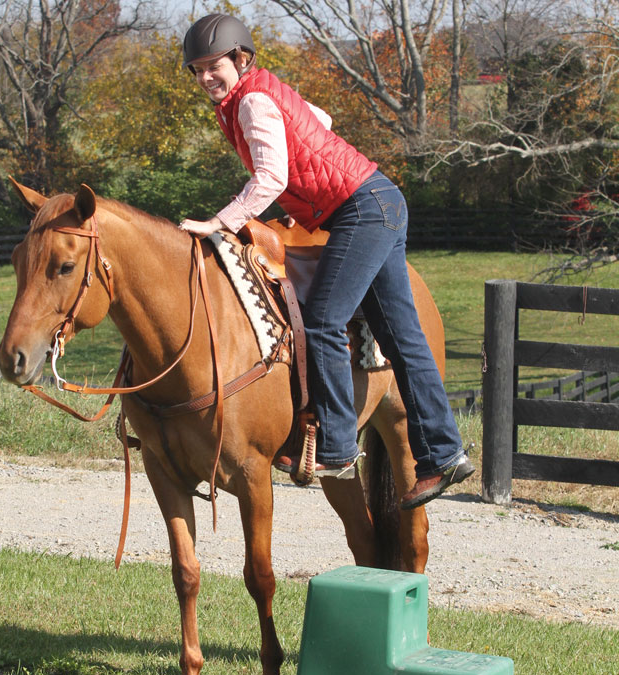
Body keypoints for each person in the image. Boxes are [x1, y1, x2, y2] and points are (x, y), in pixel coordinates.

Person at [178, 13, 474, 509]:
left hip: (363, 210)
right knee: (402, 340)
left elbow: (270, 180)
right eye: (197, 69)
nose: (206, 76)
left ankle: (336, 446)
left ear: (240, 59)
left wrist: (219, 222)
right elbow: (321, 120)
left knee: (321, 320)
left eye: (214, 66)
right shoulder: (257, 94)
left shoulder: (250, 101)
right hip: (377, 203)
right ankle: (444, 455)